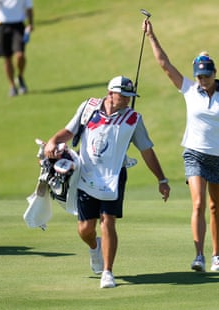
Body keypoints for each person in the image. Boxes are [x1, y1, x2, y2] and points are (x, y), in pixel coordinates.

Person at [44, 75, 171, 288]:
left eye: (130, 96)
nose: (128, 100)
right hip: (86, 173)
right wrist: (53, 141)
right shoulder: (88, 107)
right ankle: (95, 248)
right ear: (111, 93)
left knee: (108, 220)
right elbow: (70, 131)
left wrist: (162, 179)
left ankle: (107, 272)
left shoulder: (133, 119)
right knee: (85, 229)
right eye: (124, 96)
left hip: (114, 175)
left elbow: (147, 151)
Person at [142, 20, 219, 272]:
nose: (202, 80)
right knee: (198, 203)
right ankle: (199, 255)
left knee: (215, 207)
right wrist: (151, 36)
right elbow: (164, 65)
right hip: (194, 153)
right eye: (199, 76)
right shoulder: (189, 89)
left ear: (214, 73)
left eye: (206, 76)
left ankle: (217, 255)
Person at [0, 0, 33, 97]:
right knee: (7, 58)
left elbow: (29, 7)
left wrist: (30, 23)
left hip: (18, 25)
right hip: (1, 25)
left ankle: (20, 77)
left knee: (20, 55)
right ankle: (12, 85)